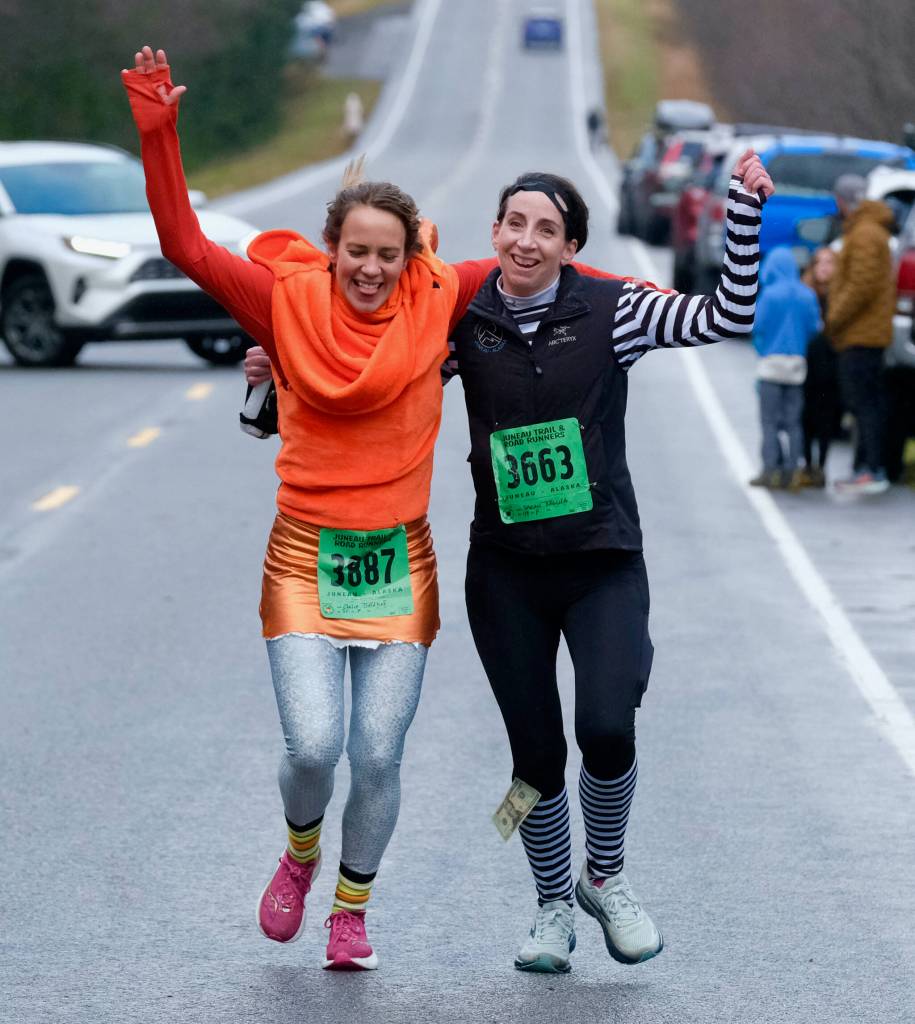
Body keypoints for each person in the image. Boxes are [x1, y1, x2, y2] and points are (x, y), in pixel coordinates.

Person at [123, 45, 627, 972]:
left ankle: (351, 911)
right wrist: (161, 136)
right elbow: (186, 244)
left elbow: (545, 270)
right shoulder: (284, 301)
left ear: (410, 259)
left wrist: (663, 305)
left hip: (399, 557)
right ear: (333, 249)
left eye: (387, 256)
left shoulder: (440, 297)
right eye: (355, 251)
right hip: (305, 554)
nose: (370, 268)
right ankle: (300, 852)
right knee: (314, 747)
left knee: (381, 759)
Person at [446, 155, 773, 972]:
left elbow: (726, 313)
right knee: (534, 759)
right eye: (513, 224)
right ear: (493, 233)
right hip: (505, 571)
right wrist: (265, 391)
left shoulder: (612, 313)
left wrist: (741, 212)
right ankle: (551, 908)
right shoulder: (459, 319)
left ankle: (605, 877)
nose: (526, 241)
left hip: (601, 562)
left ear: (571, 246)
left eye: (545, 230)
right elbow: (366, 384)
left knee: (605, 728)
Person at [826, 173, 895, 495]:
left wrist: (834, 318)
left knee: (863, 403)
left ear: (843, 200)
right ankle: (865, 468)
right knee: (866, 402)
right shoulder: (868, 229)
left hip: (862, 334)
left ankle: (872, 469)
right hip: (865, 332)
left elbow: (860, 286)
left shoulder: (865, 234)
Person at [748, 246, 821, 490]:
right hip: (796, 366)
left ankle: (770, 470)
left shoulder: (769, 295)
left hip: (770, 364)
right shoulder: (806, 295)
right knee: (793, 423)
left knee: (769, 422)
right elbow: (815, 327)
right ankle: (792, 471)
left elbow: (757, 326)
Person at [799, 247, 842, 487]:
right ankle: (806, 464)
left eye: (830, 262)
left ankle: (821, 467)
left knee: (827, 418)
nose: (825, 267)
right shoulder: (805, 294)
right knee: (805, 417)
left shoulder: (840, 296)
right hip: (807, 363)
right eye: (820, 262)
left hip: (832, 365)